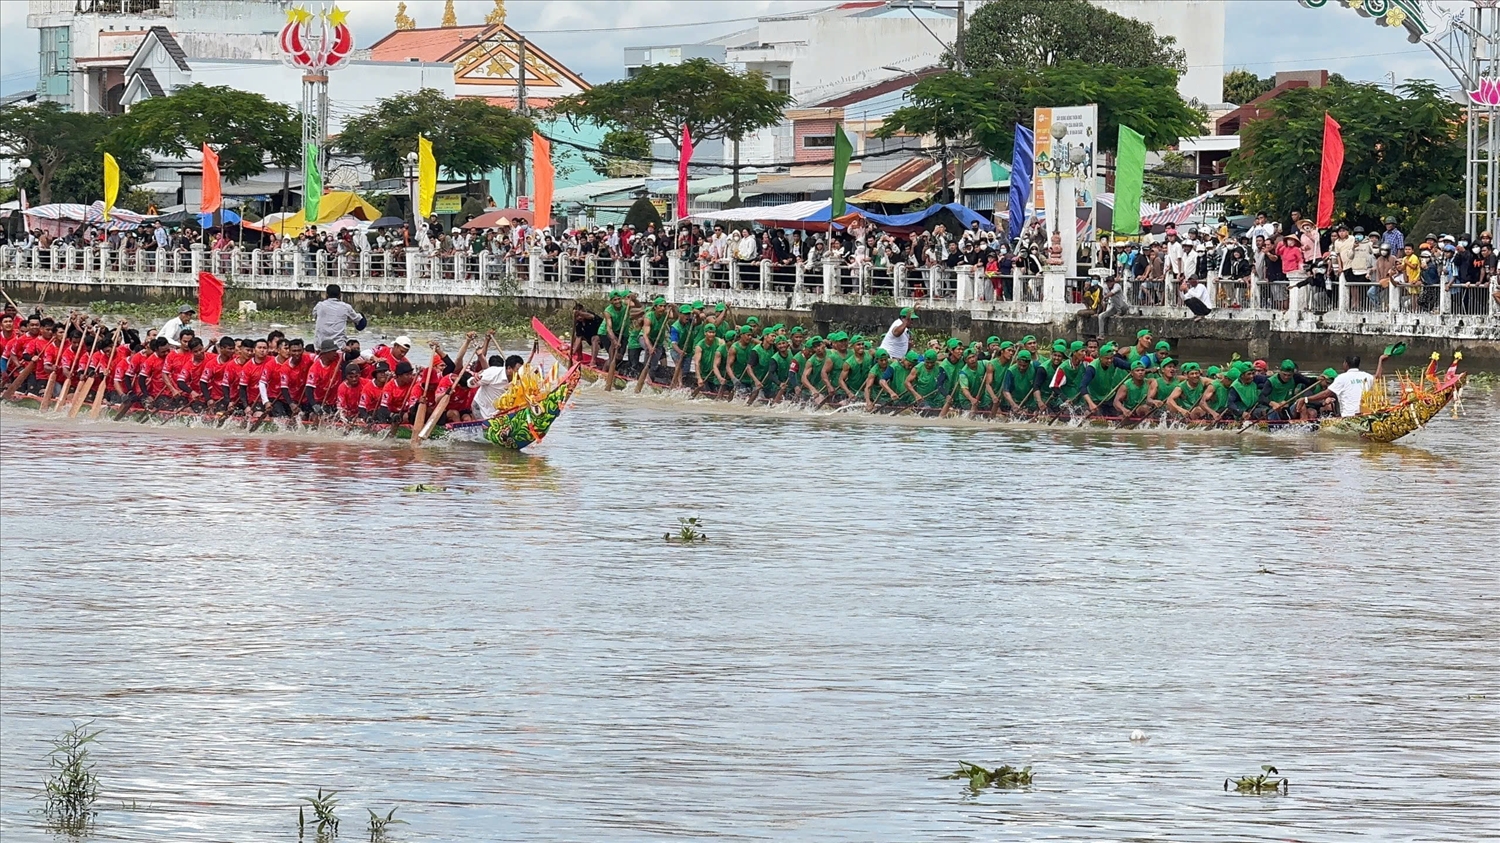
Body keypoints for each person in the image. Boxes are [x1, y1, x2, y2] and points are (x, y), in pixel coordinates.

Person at [312, 284, 367, 349]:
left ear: (326, 295)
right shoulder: (345, 307)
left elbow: (314, 315)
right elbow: (360, 322)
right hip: (339, 346)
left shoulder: (320, 305)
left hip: (320, 345)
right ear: (340, 295)